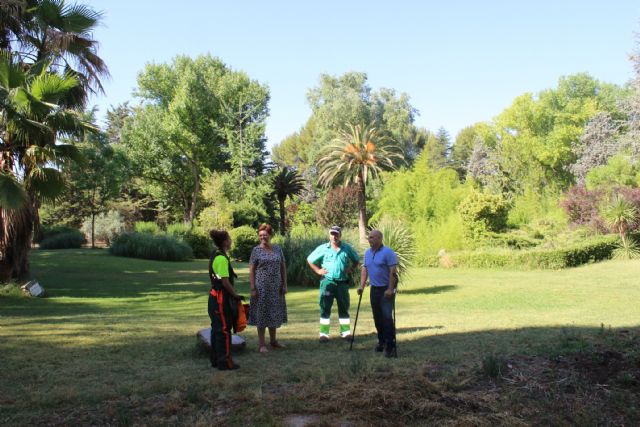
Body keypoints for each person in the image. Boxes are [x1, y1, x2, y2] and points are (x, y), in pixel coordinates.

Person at [307, 226, 360, 342]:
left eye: (336, 234)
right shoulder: (323, 248)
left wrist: (351, 268)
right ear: (329, 235)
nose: (334, 236)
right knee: (325, 307)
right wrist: (318, 270)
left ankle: (345, 333)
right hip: (327, 282)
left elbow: (356, 260)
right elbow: (310, 259)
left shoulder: (346, 248)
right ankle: (324, 334)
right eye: (332, 234)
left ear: (340, 235)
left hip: (342, 284)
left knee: (344, 307)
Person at [248, 223, 288, 354]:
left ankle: (273, 341)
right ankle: (261, 344)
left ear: (270, 235)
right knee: (261, 314)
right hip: (261, 288)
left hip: (276, 287)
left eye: (265, 235)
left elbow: (283, 267)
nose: (262, 237)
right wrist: (253, 287)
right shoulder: (256, 250)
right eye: (260, 235)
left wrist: (284, 284)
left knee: (274, 313)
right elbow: (252, 270)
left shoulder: (277, 249)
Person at [358, 229, 398, 358]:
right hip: (374, 289)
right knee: (377, 317)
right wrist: (361, 286)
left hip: (386, 288)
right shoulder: (367, 253)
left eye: (373, 237)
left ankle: (390, 345)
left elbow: (393, 271)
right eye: (369, 237)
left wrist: (390, 289)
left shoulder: (388, 252)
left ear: (380, 239)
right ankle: (381, 342)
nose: (370, 239)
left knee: (386, 317)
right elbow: (365, 270)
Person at [208, 229, 243, 370]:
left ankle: (216, 359)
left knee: (216, 329)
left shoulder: (215, 255)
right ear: (224, 242)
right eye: (229, 238)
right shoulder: (221, 259)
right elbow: (225, 282)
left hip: (214, 297)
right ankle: (225, 361)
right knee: (223, 330)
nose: (231, 241)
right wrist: (235, 295)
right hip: (221, 299)